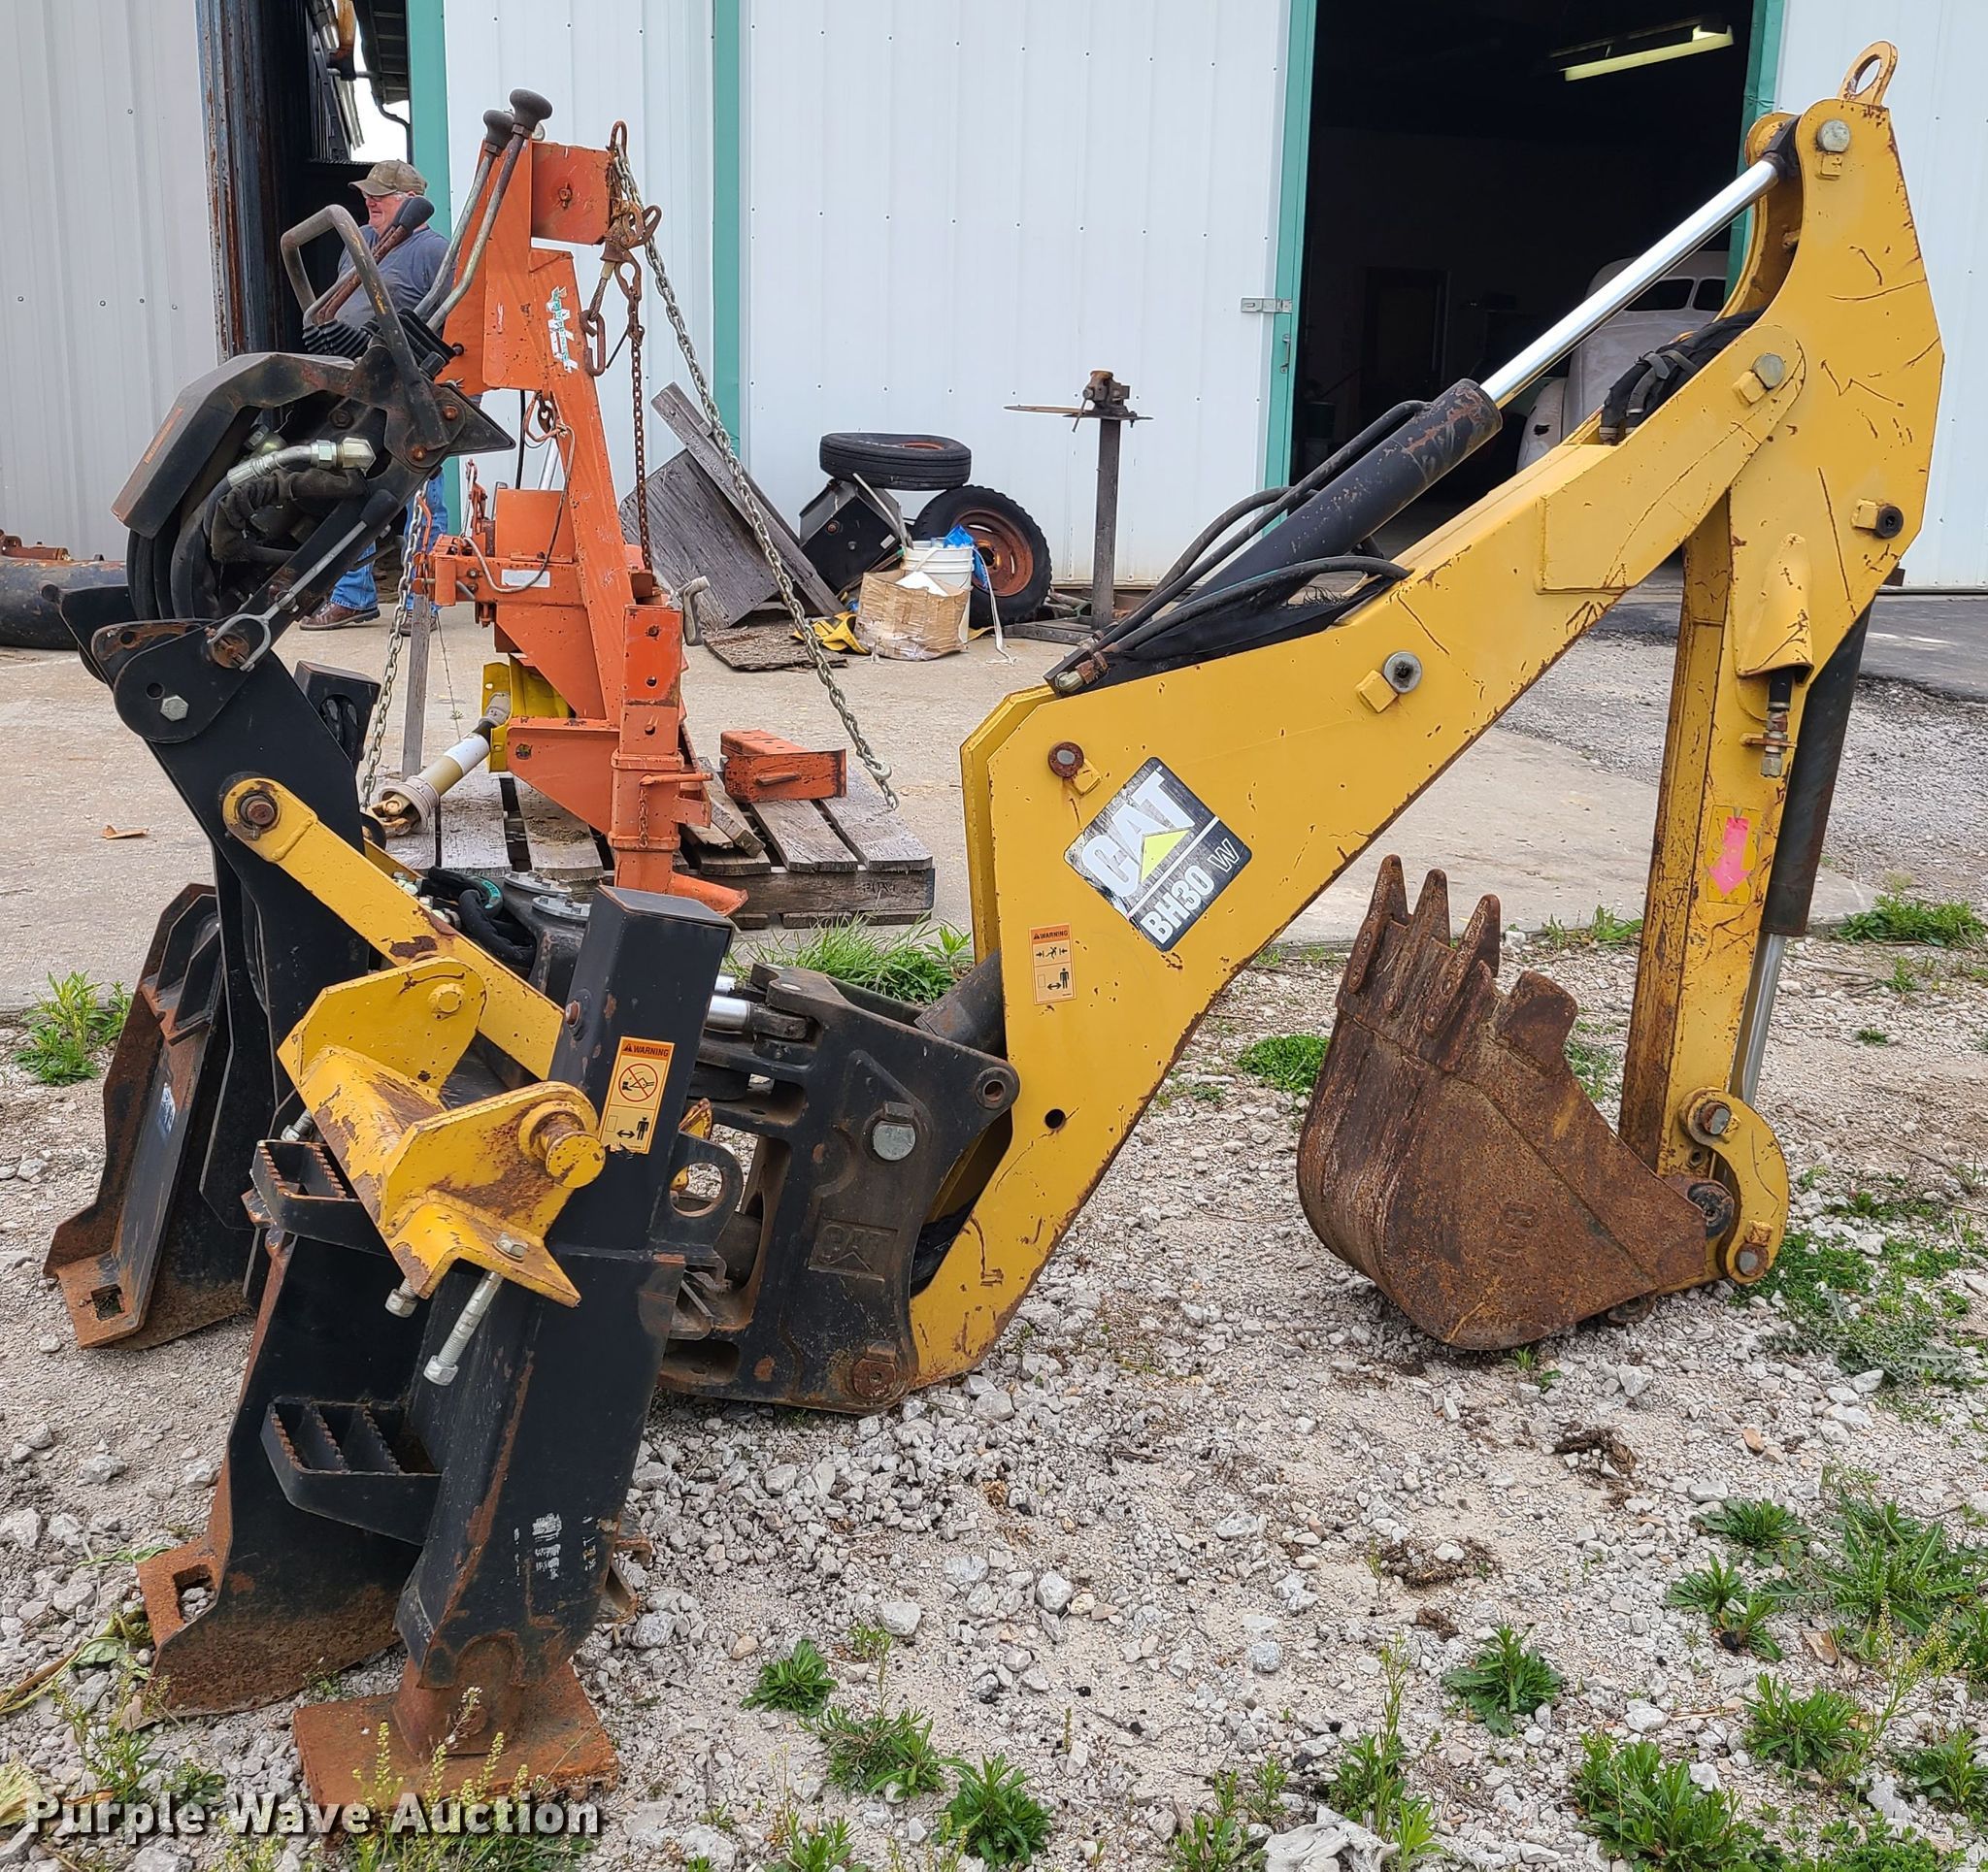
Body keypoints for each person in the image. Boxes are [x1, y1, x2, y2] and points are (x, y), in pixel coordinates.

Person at [301, 159, 451, 632]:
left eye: (381, 195)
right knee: (348, 486)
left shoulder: (435, 253)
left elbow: (455, 324)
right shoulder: (359, 242)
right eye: (367, 193)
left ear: (412, 202)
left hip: (411, 390)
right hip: (355, 385)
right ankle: (353, 596)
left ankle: (420, 602)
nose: (370, 201)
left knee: (421, 495)